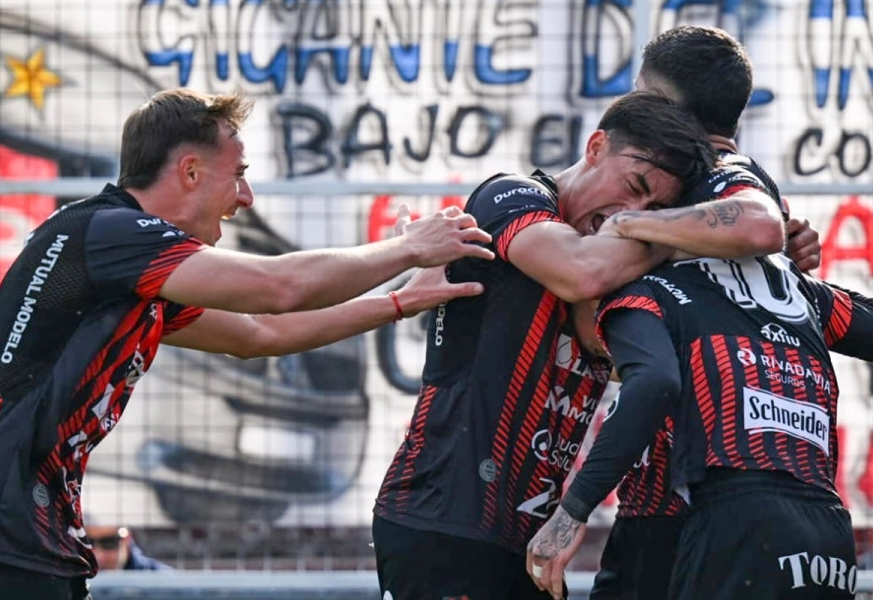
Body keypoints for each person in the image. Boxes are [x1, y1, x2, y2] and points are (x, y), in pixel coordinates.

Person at [0, 87, 497, 600]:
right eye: (239, 175)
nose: (246, 197)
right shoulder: (113, 233)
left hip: (20, 523)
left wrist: (400, 301)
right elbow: (278, 288)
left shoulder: (129, 264)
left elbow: (259, 333)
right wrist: (409, 247)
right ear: (191, 172)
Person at [371, 90, 793, 600]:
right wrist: (673, 234)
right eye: (633, 187)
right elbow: (580, 272)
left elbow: (626, 350)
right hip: (442, 519)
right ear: (595, 148)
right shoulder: (513, 197)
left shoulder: (621, 259)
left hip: (524, 540)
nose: (630, 213)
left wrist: (770, 262)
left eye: (656, 208)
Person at [569, 26, 823, 600]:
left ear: (662, 103)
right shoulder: (684, 181)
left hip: (689, 495)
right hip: (722, 495)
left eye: (641, 91)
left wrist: (631, 225)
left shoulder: (718, 175)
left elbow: (758, 225)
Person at [526, 232, 872, 599]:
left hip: (706, 531)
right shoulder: (790, 294)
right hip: (825, 533)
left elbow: (653, 383)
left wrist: (573, 509)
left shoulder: (648, 294)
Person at [83, 522, 171, 572]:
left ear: (127, 538)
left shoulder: (162, 582)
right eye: (88, 542)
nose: (99, 556)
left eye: (109, 542)